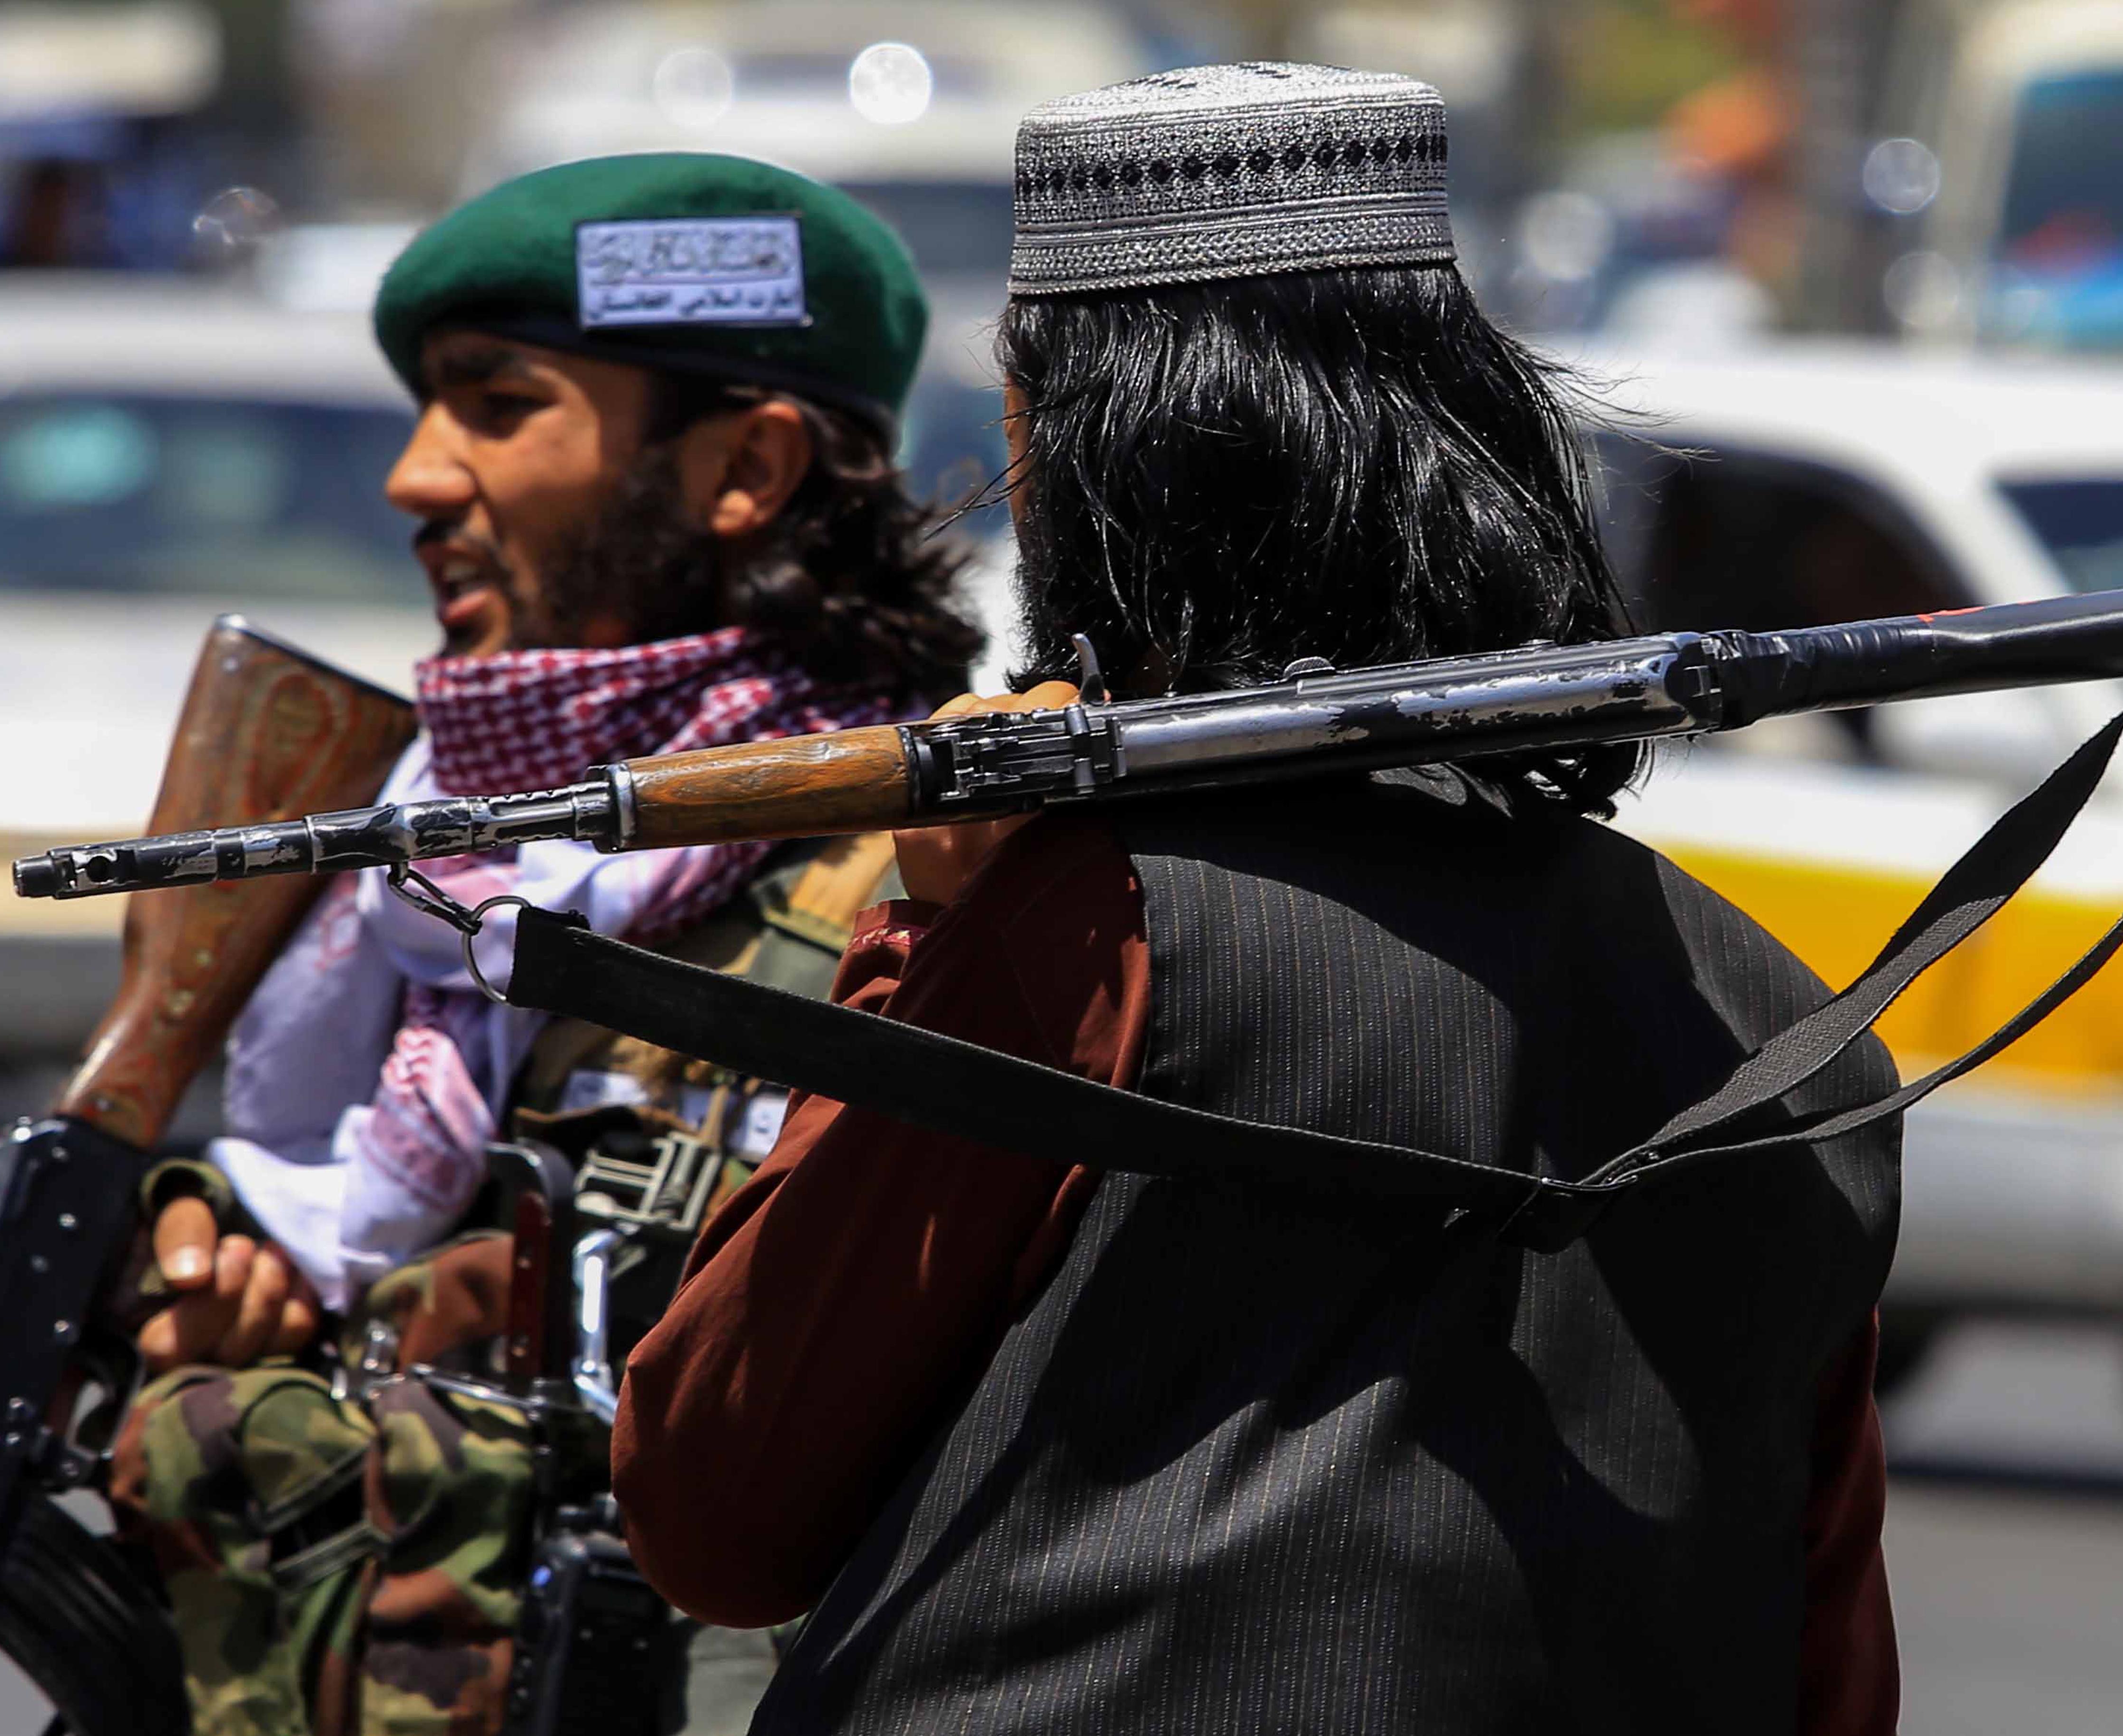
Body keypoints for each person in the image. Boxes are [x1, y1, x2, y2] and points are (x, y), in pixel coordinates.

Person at [615, 65, 1900, 1735]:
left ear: (1072, 446)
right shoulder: (1792, 1017)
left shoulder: (1093, 933)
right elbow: (1829, 1671)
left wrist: (923, 937)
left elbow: (717, 1498)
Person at [107, 152, 979, 1736]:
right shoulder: (416, 852)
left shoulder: (918, 890)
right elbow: (319, 1181)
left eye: (498, 406)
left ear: (749, 466)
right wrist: (222, 1266)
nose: (419, 478)